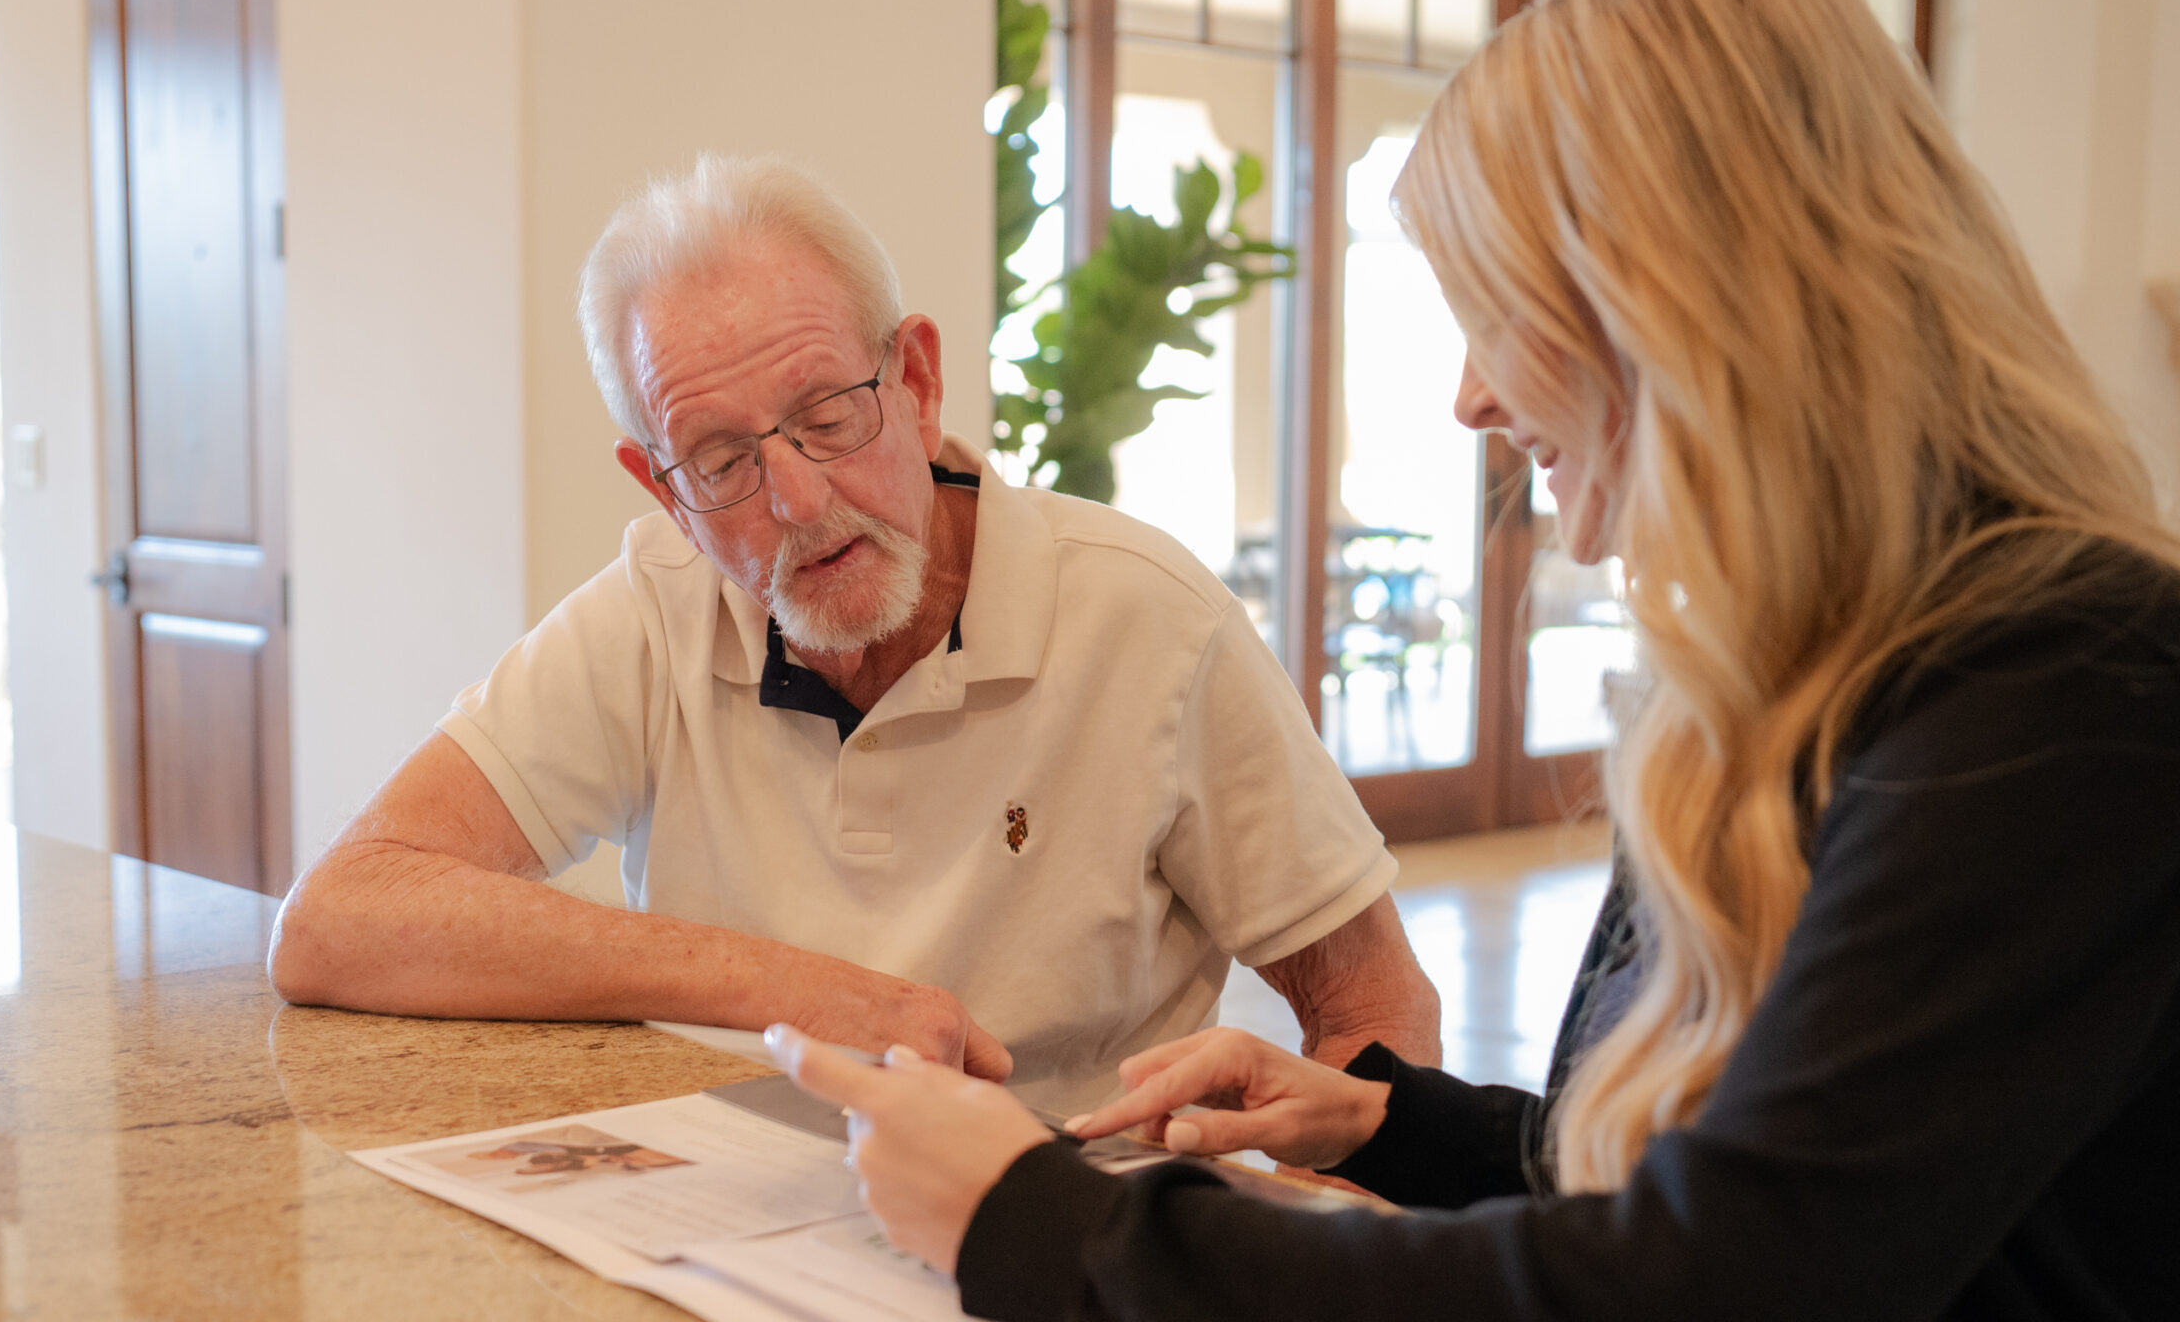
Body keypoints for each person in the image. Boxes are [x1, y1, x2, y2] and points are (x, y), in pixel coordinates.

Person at [769, 0, 2180, 1322]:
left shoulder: (2078, 694)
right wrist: (1389, 1120)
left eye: (1499, 310)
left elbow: (1686, 1316)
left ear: (1691, 303)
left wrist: (1036, 1224)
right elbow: (1734, 1179)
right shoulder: (1798, 683)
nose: (1469, 395)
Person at [268, 156, 1441, 1113]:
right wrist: (792, 989)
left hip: (1058, 1245)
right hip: (728, 1238)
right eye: (720, 460)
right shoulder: (658, 607)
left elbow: (1373, 1006)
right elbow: (340, 915)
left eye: (827, 415)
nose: (797, 499)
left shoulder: (1149, 620)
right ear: (662, 487)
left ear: (917, 380)